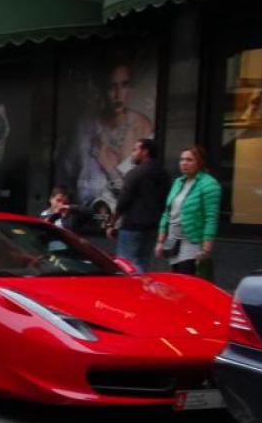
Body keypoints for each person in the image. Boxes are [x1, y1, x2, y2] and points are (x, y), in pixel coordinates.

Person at [75, 62, 155, 219]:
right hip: (95, 213)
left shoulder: (142, 127)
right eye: (111, 87)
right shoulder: (87, 128)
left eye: (124, 85)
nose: (118, 94)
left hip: (128, 217)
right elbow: (80, 182)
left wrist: (107, 162)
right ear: (101, 90)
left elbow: (136, 188)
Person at [157, 145, 221, 278]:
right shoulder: (178, 182)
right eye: (182, 159)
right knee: (175, 278)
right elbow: (167, 212)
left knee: (187, 278)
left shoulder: (209, 184)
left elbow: (211, 218)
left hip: (192, 241)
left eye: (189, 160)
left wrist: (206, 248)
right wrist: (160, 241)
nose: (184, 163)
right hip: (173, 239)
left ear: (200, 162)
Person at [109, 138, 169, 273]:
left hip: (133, 226)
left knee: (125, 264)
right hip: (154, 226)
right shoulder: (164, 174)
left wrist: (111, 222)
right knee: (142, 262)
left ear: (145, 152)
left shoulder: (135, 173)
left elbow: (123, 201)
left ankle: (131, 291)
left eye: (135, 150)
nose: (132, 154)